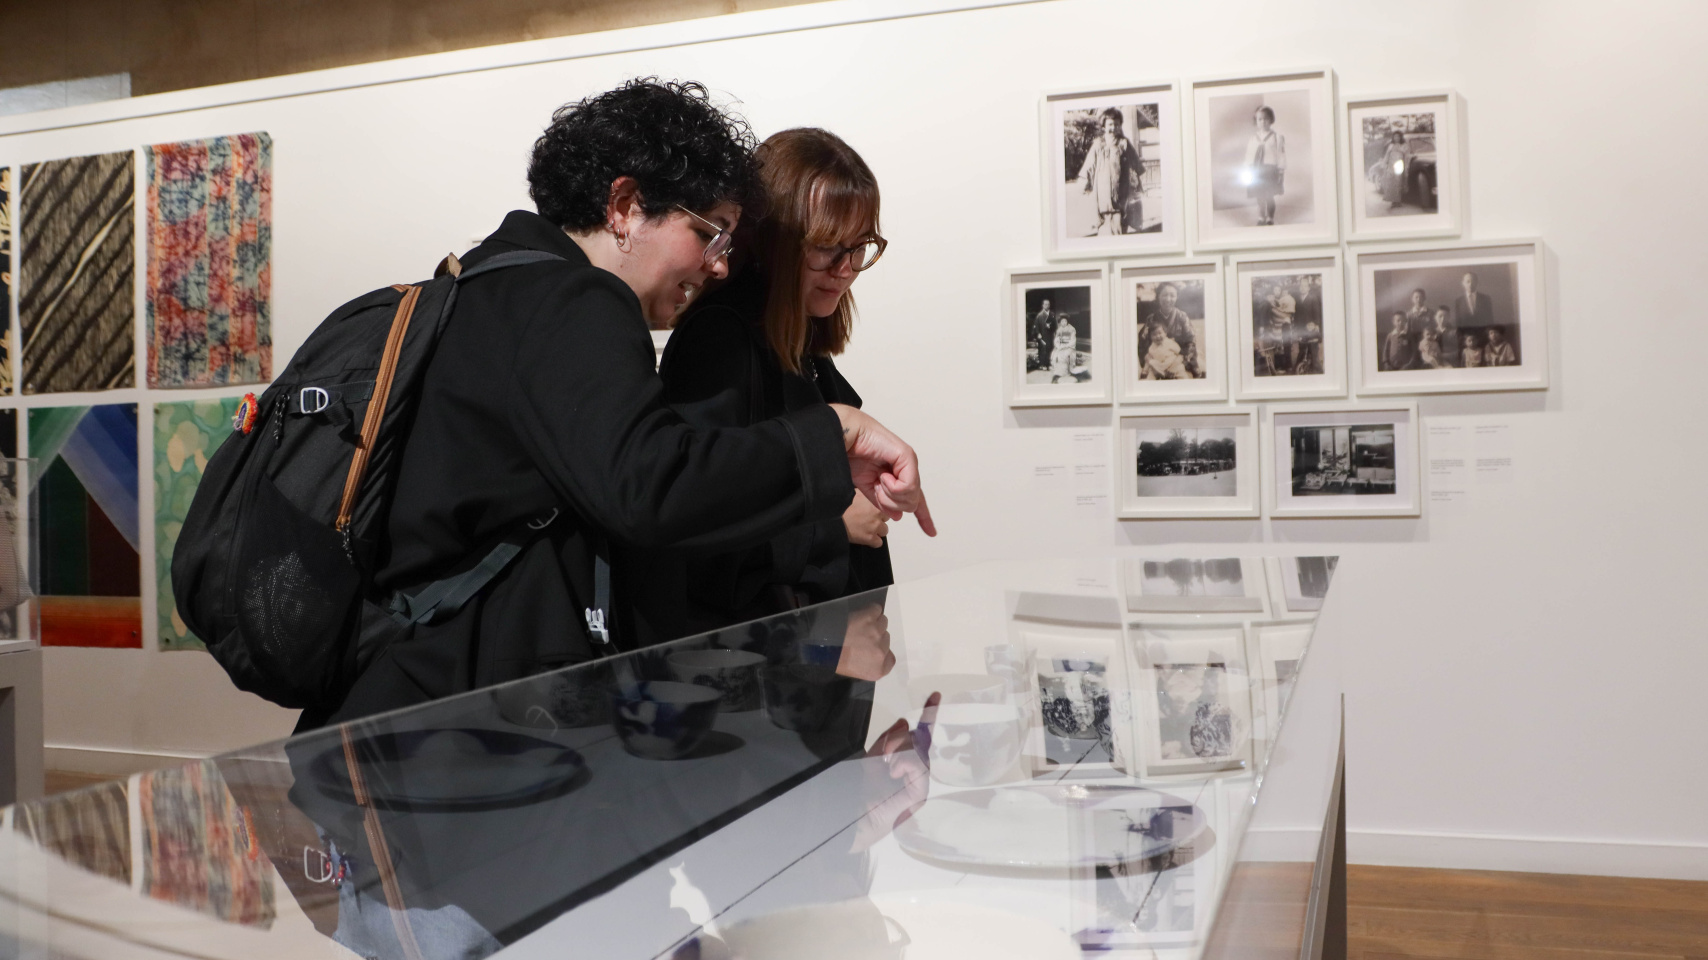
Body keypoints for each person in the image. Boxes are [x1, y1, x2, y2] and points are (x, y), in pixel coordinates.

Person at [305, 81, 933, 729]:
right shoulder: (573, 303)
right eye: (709, 232)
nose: (720, 265)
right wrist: (833, 439)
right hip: (458, 720)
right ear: (625, 207)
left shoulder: (494, 285)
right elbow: (655, 494)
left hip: (438, 706)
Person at [650, 127, 907, 634]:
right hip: (773, 671)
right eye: (828, 248)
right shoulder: (721, 340)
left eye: (861, 248)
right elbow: (691, 527)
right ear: (773, 241)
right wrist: (830, 531)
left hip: (820, 661)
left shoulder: (794, 341)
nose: (847, 269)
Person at [1078, 108, 1144, 235]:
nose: (1113, 128)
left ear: (1120, 125)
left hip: (1120, 187)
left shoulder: (1124, 143)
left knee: (1119, 221)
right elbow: (1090, 164)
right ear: (1104, 125)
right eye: (1110, 124)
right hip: (1102, 190)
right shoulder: (1098, 144)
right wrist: (1085, 181)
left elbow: (1135, 163)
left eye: (1117, 124)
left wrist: (1137, 179)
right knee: (1104, 224)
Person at [1242, 105, 1286, 226]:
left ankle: (1270, 217)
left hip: (1270, 170)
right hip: (1256, 170)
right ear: (1256, 121)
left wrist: (1281, 171)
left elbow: (1280, 155)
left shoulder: (1277, 138)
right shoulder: (1252, 138)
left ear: (1271, 119)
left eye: (1266, 119)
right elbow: (1249, 154)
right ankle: (1261, 216)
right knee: (1259, 195)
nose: (1263, 122)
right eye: (1259, 119)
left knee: (1269, 195)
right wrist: (1247, 168)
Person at [1145, 282, 1198, 377]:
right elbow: (1144, 343)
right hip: (1158, 358)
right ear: (1158, 297)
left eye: (1172, 295)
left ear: (1177, 297)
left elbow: (1191, 340)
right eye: (1164, 295)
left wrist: (1186, 359)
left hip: (1179, 358)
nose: (1168, 299)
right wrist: (1149, 360)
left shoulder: (1182, 316)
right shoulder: (1151, 319)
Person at [1370, 130, 1407, 209]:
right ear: (1393, 137)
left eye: (1398, 136)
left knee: (1398, 183)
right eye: (1395, 136)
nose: (1396, 138)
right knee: (1391, 183)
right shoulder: (1390, 145)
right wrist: (1384, 164)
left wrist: (1406, 166)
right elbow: (1387, 155)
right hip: (1391, 166)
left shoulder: (1404, 145)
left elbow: (1406, 156)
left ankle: (1398, 201)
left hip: (1399, 165)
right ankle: (1393, 201)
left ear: (1401, 137)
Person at [1031, 298, 1057, 372]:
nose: (1047, 305)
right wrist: (1038, 333)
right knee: (1042, 350)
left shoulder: (1052, 314)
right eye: (1045, 304)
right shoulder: (1039, 315)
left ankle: (1048, 364)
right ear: (1043, 305)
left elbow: (1054, 325)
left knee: (1049, 349)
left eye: (1048, 304)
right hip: (1042, 335)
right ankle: (1042, 365)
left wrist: (1051, 327)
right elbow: (1036, 325)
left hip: (1050, 335)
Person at [1052, 315, 1078, 382]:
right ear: (1060, 322)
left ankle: (1066, 372)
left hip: (1069, 347)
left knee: (1065, 355)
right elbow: (1056, 340)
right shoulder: (1059, 329)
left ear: (1067, 321)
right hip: (1061, 346)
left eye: (1065, 321)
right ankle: (1058, 372)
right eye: (1062, 321)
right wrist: (1058, 346)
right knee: (1054, 355)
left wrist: (1065, 346)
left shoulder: (1072, 329)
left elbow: (1073, 341)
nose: (1064, 322)